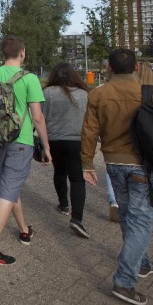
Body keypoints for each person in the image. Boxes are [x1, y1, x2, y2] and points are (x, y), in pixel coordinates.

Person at [81, 49, 153, 305]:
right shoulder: (148, 93)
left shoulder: (98, 94)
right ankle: (124, 281)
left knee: (128, 214)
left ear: (108, 67)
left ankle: (141, 262)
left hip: (113, 164)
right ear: (134, 68)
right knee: (142, 220)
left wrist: (87, 164)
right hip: (143, 165)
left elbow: (89, 132)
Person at [0, 36, 51, 266]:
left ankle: (24, 230)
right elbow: (37, 117)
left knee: (11, 185)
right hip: (21, 140)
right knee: (8, 192)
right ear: (23, 53)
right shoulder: (29, 78)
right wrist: (46, 146)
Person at [43, 62, 90, 237]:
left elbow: (40, 116)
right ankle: (77, 218)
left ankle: (63, 204)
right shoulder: (84, 94)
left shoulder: (47, 93)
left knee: (60, 172)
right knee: (78, 179)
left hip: (54, 139)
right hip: (77, 140)